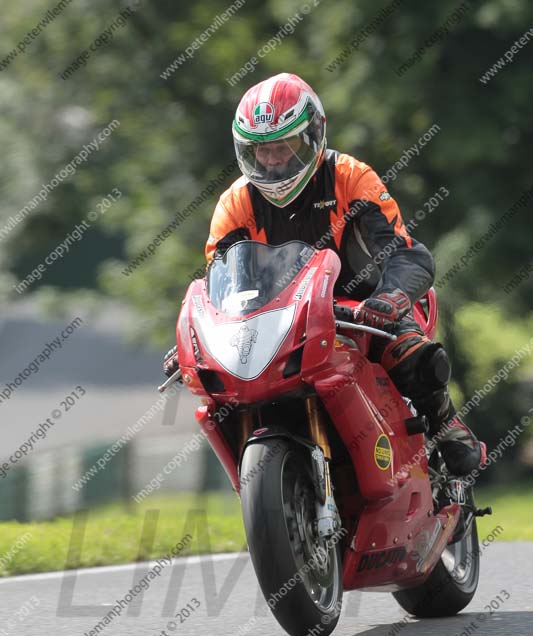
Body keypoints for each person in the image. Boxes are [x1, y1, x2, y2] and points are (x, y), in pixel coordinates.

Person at [164, 72, 484, 476]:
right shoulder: (235, 202)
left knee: (413, 356)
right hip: (272, 326)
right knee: (219, 398)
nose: (274, 161)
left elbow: (406, 254)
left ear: (314, 134)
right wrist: (199, 336)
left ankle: (444, 425)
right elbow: (218, 284)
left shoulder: (351, 177)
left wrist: (388, 300)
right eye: (261, 151)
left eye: (284, 146)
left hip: (361, 309)